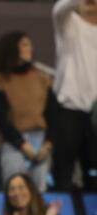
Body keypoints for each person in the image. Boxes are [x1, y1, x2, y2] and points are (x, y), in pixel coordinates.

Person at [0, 32, 59, 192]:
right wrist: (21, 143)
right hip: (13, 143)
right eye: (24, 44)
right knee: (14, 189)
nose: (29, 48)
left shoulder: (42, 78)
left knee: (39, 192)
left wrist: (48, 144)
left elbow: (54, 114)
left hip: (40, 141)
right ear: (13, 48)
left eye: (29, 44)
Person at [51, 0, 97, 192]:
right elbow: (59, 8)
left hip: (95, 115)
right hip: (69, 111)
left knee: (93, 171)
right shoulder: (70, 23)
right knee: (63, 170)